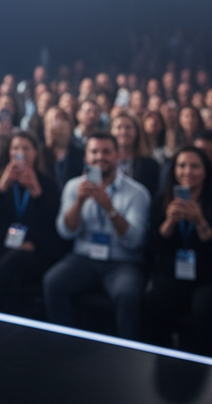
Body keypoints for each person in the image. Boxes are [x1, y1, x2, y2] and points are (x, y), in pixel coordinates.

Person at [43, 133, 151, 339]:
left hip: (122, 262)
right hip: (83, 258)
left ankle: (127, 351)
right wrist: (80, 202)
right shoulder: (74, 187)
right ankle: (64, 343)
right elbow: (65, 232)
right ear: (86, 157)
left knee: (128, 294)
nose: (100, 157)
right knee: (53, 281)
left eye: (106, 152)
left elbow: (135, 240)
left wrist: (109, 208)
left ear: (117, 155)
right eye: (94, 152)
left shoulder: (137, 193)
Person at [142, 147, 212, 356]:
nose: (187, 171)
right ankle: (159, 356)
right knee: (155, 300)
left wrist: (200, 221)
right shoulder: (161, 201)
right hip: (174, 272)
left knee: (204, 308)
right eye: (182, 166)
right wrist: (169, 222)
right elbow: (153, 248)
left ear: (205, 171)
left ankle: (206, 361)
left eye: (194, 166)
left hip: (210, 276)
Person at [0, 131, 63, 315]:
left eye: (26, 148)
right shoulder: (1, 180)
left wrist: (37, 195)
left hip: (36, 250)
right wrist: (0, 190)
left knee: (12, 262)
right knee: (2, 267)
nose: (20, 153)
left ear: (35, 152)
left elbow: (51, 228)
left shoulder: (48, 185)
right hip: (4, 245)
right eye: (15, 148)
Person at [110, 109, 160, 195]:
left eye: (128, 127)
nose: (123, 132)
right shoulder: (103, 162)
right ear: (111, 131)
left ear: (137, 132)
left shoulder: (150, 165)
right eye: (118, 127)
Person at [43, 107, 85, 190]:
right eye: (49, 121)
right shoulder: (41, 154)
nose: (54, 125)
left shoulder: (80, 154)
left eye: (59, 119)